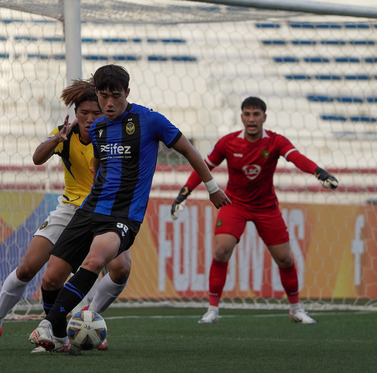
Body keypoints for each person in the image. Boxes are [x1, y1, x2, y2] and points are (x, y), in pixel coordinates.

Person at [28, 64, 231, 353]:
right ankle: (59, 337)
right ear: (96, 93)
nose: (109, 103)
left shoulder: (150, 120)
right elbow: (98, 166)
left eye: (116, 96)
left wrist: (212, 188)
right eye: (103, 96)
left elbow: (188, 150)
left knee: (95, 260)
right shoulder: (98, 128)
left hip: (124, 216)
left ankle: (49, 323)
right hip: (90, 209)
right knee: (51, 276)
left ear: (128, 93)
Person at [0, 80, 130, 352]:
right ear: (76, 113)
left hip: (105, 210)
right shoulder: (66, 133)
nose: (89, 119)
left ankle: (85, 320)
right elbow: (37, 158)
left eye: (96, 113)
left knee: (121, 269)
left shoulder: (116, 136)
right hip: (69, 209)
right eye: (83, 113)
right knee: (29, 268)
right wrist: (57, 138)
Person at [171, 96, 338, 324]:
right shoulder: (228, 143)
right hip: (235, 204)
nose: (251, 119)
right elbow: (204, 165)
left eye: (256, 114)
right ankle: (212, 310)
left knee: (285, 259)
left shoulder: (275, 141)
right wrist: (185, 192)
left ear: (264, 118)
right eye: (247, 114)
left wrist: (319, 172)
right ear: (241, 117)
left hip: (266, 207)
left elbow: (296, 158)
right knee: (221, 250)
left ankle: (296, 308)